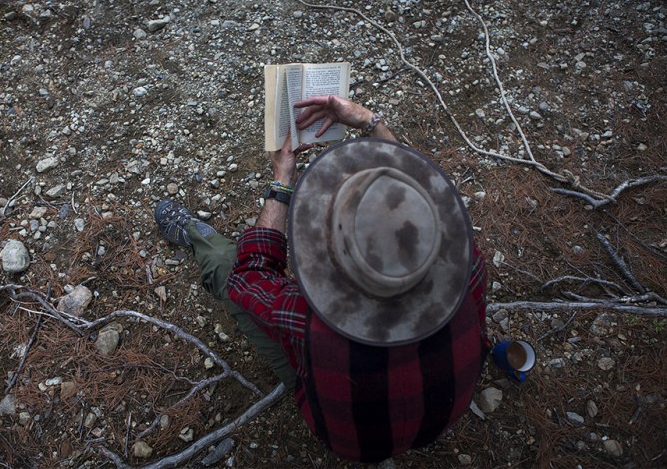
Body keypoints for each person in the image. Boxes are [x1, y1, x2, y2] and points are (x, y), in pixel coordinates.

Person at [154, 95, 489, 463]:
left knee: (224, 264)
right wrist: (368, 121)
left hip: (346, 440)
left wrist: (282, 180)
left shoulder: (311, 325)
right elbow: (416, 190)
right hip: (436, 423)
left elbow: (249, 278)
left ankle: (200, 240)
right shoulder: (468, 266)